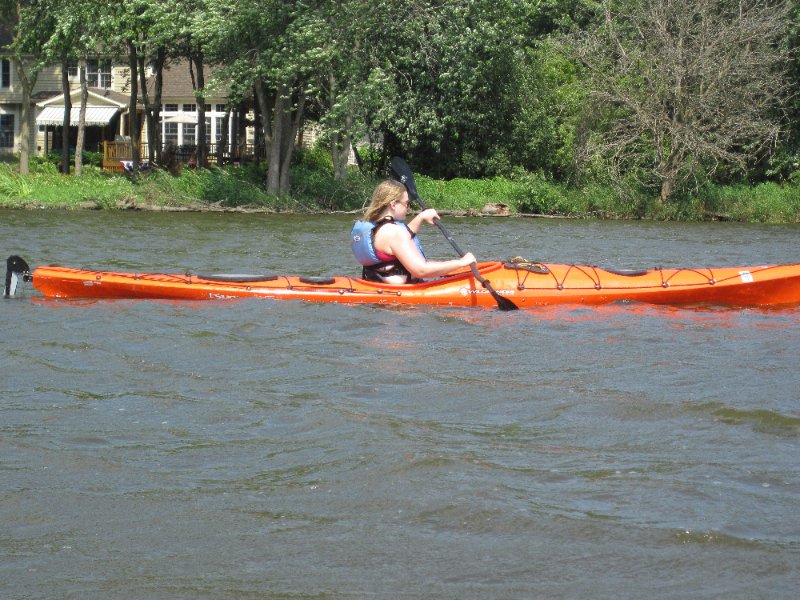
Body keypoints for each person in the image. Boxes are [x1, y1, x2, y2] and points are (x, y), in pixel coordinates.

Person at [351, 179, 476, 284]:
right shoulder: (394, 232)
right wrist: (461, 262)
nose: (408, 208)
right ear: (393, 204)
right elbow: (421, 270)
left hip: (377, 283)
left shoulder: (374, 225)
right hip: (403, 306)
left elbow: (402, 238)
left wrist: (421, 217)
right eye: (407, 203)